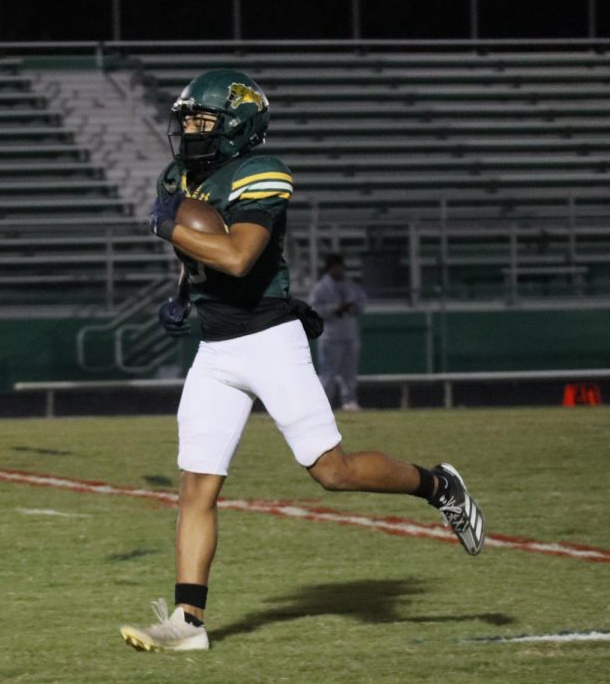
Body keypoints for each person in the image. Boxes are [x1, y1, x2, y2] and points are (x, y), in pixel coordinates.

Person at [120, 70, 485, 653]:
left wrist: (170, 225)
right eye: (187, 119)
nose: (190, 130)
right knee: (196, 485)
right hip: (214, 348)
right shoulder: (181, 174)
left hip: (268, 338)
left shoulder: (262, 172)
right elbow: (196, 255)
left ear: (239, 126)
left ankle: (438, 485)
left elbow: (238, 257)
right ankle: (189, 622)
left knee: (332, 472)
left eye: (203, 121)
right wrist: (182, 293)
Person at [309, 253, 367, 411]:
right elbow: (314, 311)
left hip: (349, 334)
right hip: (330, 336)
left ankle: (349, 402)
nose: (339, 270)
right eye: (336, 267)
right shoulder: (320, 288)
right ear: (329, 268)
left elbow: (361, 305)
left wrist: (351, 307)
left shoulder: (351, 286)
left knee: (349, 372)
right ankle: (323, 404)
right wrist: (335, 308)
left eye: (341, 267)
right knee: (328, 373)